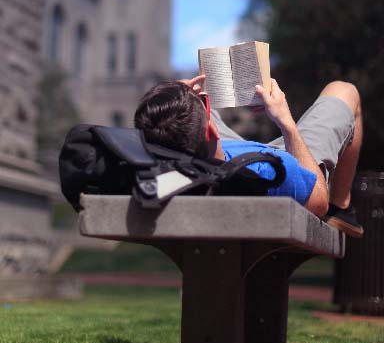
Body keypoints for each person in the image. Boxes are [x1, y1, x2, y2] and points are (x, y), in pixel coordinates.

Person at [134, 74, 364, 237]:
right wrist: (285, 121)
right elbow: (318, 201)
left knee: (181, 110)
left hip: (213, 158)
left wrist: (179, 94)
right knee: (343, 90)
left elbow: (174, 125)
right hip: (277, 158)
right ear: (211, 130)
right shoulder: (271, 172)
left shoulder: (168, 161)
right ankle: (341, 205)